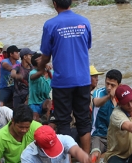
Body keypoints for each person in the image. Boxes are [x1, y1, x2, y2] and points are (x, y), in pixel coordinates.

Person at [38, 0, 92, 154]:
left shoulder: (50, 25)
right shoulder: (84, 22)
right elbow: (86, 46)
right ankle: (86, 162)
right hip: (83, 80)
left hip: (62, 82)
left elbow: (46, 56)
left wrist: (41, 67)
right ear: (72, 2)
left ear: (54, 3)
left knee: (63, 122)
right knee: (83, 120)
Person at [90, 69, 121, 162]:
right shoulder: (99, 92)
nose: (109, 87)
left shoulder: (121, 96)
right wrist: (109, 97)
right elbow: (96, 102)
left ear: (119, 85)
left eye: (112, 85)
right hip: (98, 135)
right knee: (95, 155)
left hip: (114, 136)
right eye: (107, 83)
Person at [28, 52, 52, 122]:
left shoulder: (51, 72)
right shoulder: (33, 72)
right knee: (35, 119)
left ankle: (48, 120)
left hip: (45, 101)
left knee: (49, 102)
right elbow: (33, 77)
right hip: (34, 103)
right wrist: (43, 69)